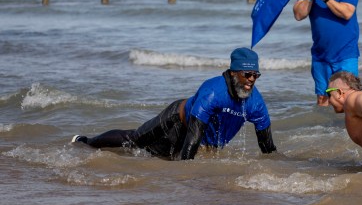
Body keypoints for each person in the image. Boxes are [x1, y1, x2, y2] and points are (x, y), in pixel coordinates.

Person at [71, 47, 276, 160]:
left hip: (203, 142)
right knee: (134, 142)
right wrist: (185, 179)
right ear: (233, 73)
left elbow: (268, 148)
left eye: (255, 75)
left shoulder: (256, 105)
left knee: (158, 159)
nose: (251, 79)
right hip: (175, 122)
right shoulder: (212, 93)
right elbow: (192, 142)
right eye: (246, 74)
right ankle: (86, 142)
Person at [293, 0, 360, 107]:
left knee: (347, 99)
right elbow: (298, 14)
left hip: (345, 54)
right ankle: (325, 133)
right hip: (320, 56)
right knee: (323, 101)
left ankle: (346, 132)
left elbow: (347, 13)